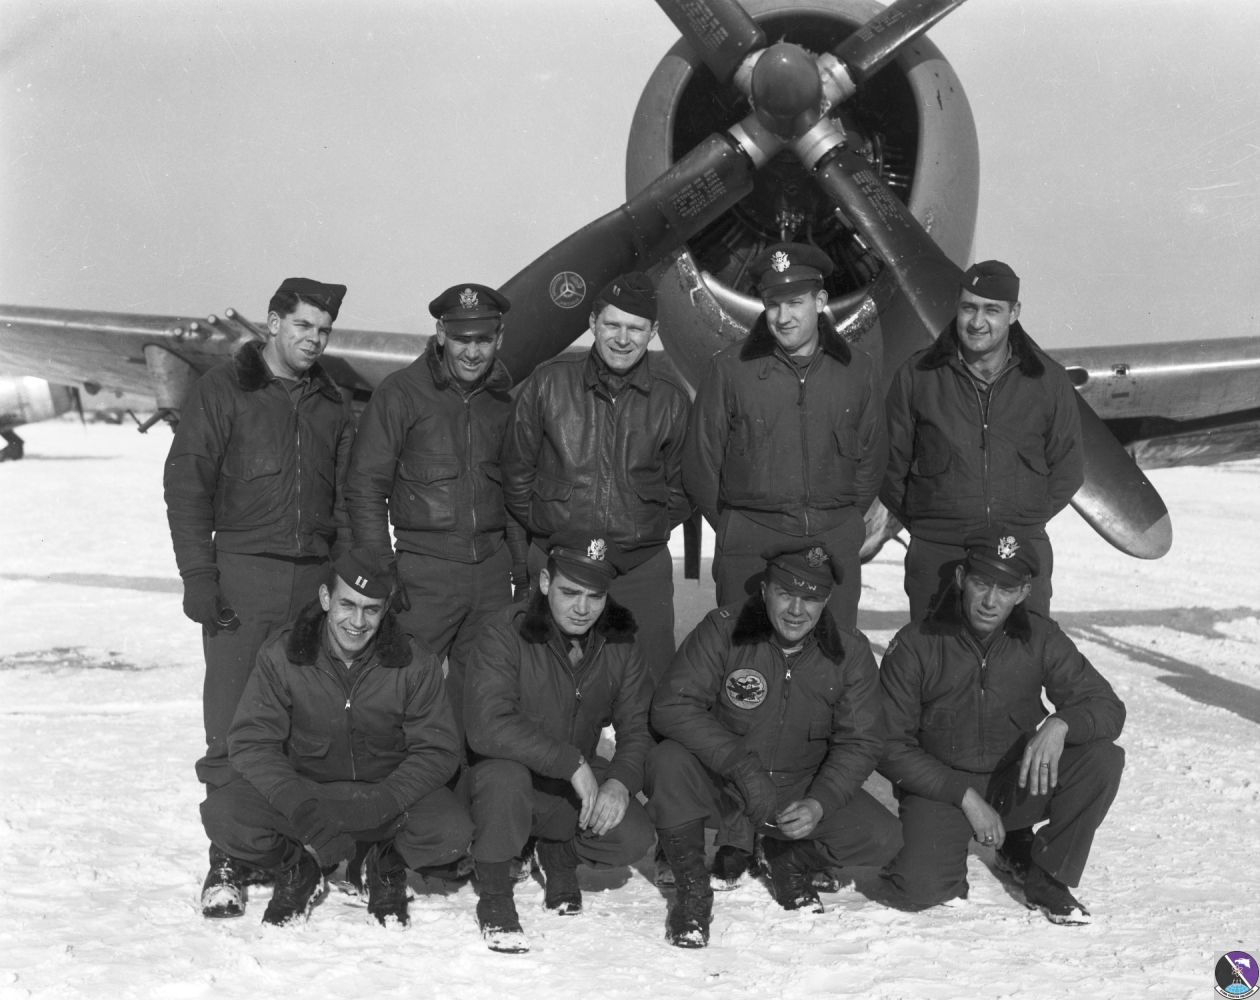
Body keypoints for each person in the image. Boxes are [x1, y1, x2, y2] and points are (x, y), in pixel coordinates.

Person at [163, 276, 356, 917]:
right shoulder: (223, 390)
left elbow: (348, 505)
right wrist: (200, 575)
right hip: (242, 578)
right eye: (302, 325)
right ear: (272, 323)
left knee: (303, 727)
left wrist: (346, 583)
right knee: (231, 726)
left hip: (312, 584)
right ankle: (227, 859)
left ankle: (295, 852)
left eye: (323, 330)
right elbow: (187, 485)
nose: (314, 340)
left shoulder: (332, 402)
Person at [645, 543, 901, 947]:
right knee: (668, 761)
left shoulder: (849, 652)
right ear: (765, 590)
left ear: (826, 601)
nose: (797, 610)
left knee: (885, 838)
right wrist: (739, 765)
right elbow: (671, 706)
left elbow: (861, 741)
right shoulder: (724, 630)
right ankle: (692, 894)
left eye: (811, 598)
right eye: (786, 593)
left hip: (796, 793)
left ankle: (788, 856)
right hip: (725, 786)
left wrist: (820, 802)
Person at [201, 549, 472, 927]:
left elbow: (438, 750)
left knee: (452, 831)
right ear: (326, 598)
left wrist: (384, 802)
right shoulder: (283, 653)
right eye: (348, 604)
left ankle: (384, 863)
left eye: (371, 609)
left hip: (384, 794)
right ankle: (297, 866)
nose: (358, 622)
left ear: (385, 609)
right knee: (224, 815)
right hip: (308, 794)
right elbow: (252, 742)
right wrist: (299, 807)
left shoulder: (414, 661)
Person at [877, 525, 1125, 924]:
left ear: (1023, 593)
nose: (991, 601)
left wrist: (1062, 723)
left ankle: (1046, 876)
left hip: (1014, 782)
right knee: (922, 888)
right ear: (962, 578)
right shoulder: (916, 643)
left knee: (1101, 757)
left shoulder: (1040, 637)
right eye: (982, 584)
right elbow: (888, 744)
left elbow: (1107, 707)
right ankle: (938, 849)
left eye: (1006, 589)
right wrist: (963, 796)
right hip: (943, 790)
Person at [462, 531, 655, 953]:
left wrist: (620, 782)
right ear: (546, 582)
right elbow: (487, 725)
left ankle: (558, 853)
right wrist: (571, 762)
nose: (582, 609)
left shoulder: (619, 642)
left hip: (568, 785)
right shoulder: (505, 632)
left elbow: (637, 727)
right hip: (508, 779)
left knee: (632, 835)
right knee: (504, 778)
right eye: (570, 593)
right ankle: (494, 894)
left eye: (595, 596)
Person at [683, 242, 886, 631]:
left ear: (820, 301)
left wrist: (842, 523)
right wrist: (735, 528)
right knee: (746, 656)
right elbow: (700, 463)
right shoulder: (729, 369)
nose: (783, 316)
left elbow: (872, 458)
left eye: (795, 303)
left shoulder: (858, 370)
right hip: (750, 541)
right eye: (773, 304)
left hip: (831, 539)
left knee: (831, 654)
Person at [345, 283, 524, 724]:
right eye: (462, 339)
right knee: (396, 691)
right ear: (441, 333)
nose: (472, 352)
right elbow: (365, 486)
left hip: (491, 575)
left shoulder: (504, 402)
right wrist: (382, 568)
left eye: (483, 340)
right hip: (424, 575)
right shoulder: (401, 393)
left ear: (499, 338)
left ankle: (458, 770)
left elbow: (515, 493)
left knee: (479, 701)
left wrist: (520, 569)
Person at [500, 271, 691, 683]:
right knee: (542, 682)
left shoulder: (671, 400)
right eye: (612, 325)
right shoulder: (548, 382)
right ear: (592, 323)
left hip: (638, 568)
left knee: (649, 681)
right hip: (558, 560)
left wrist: (639, 531)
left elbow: (682, 490)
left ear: (653, 331)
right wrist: (552, 531)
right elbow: (516, 475)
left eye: (635, 329)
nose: (622, 339)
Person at [880, 259, 1084, 620]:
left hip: (1017, 551)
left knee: (1022, 652)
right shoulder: (917, 375)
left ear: (1014, 313)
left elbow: (1067, 468)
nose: (977, 322)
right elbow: (887, 465)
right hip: (939, 552)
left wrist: (1025, 521)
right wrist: (931, 525)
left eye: (992, 310)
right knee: (935, 653)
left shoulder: (1048, 380)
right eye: (968, 308)